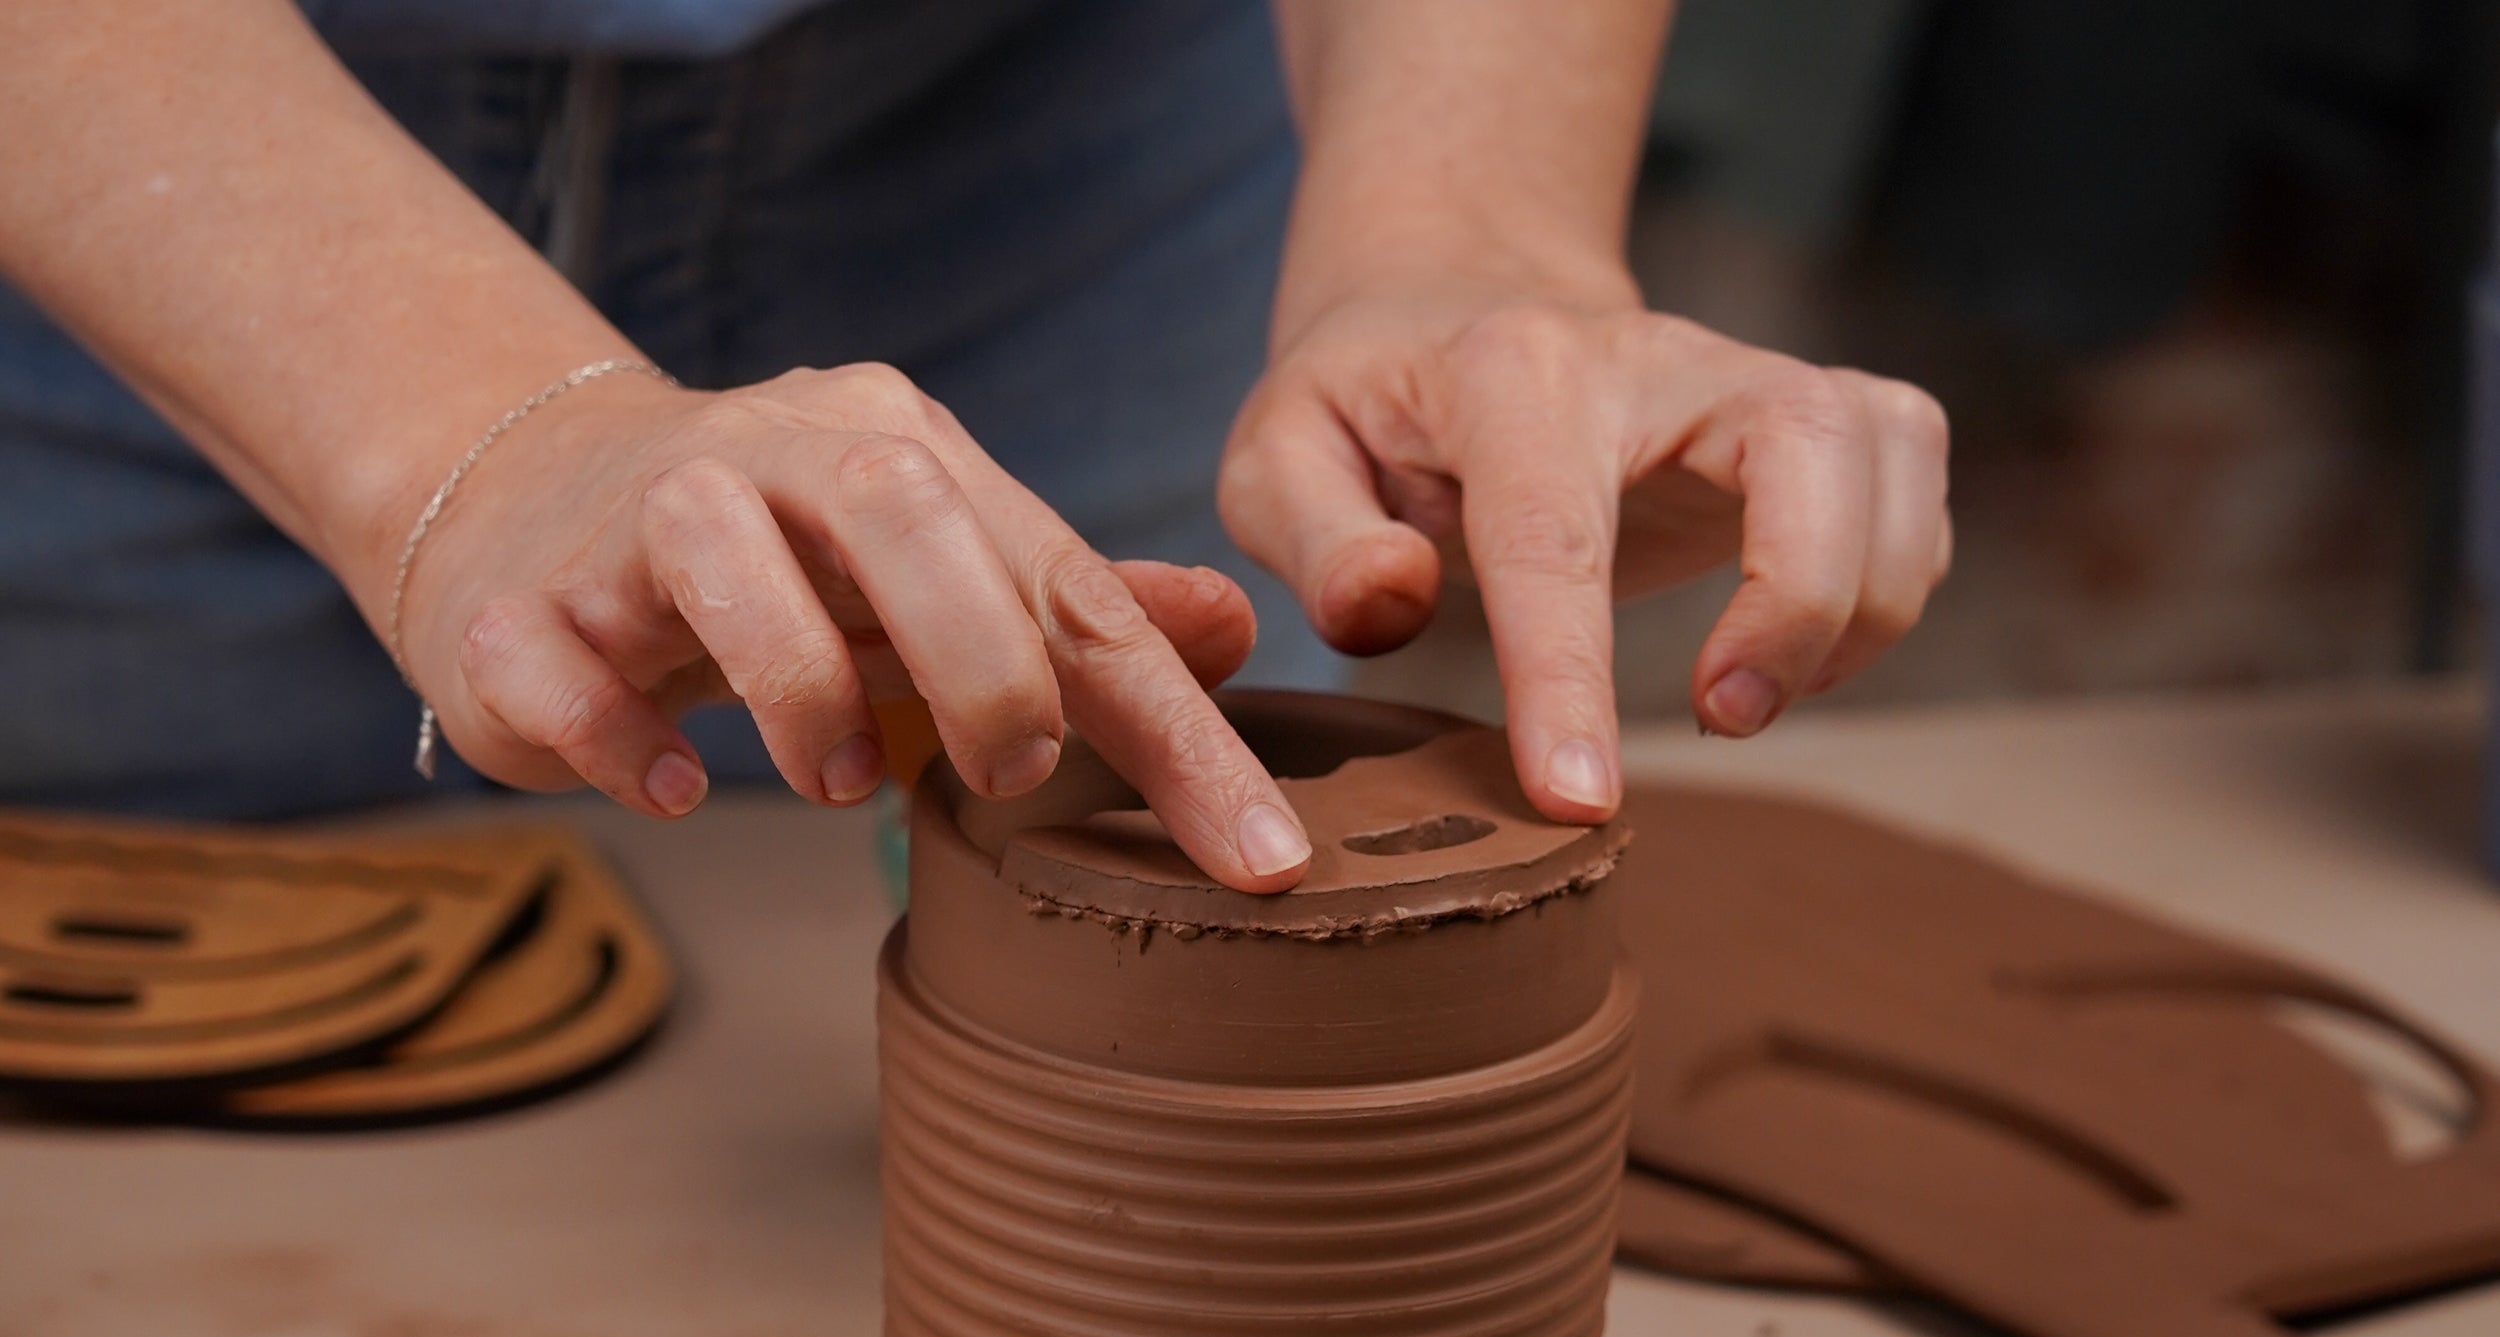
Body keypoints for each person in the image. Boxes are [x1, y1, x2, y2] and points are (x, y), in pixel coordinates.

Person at [0, 0, 1950, 893]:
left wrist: (1469, 224)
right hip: (137, 175)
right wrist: (467, 435)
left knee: (1069, 922)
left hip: (1055, 134)